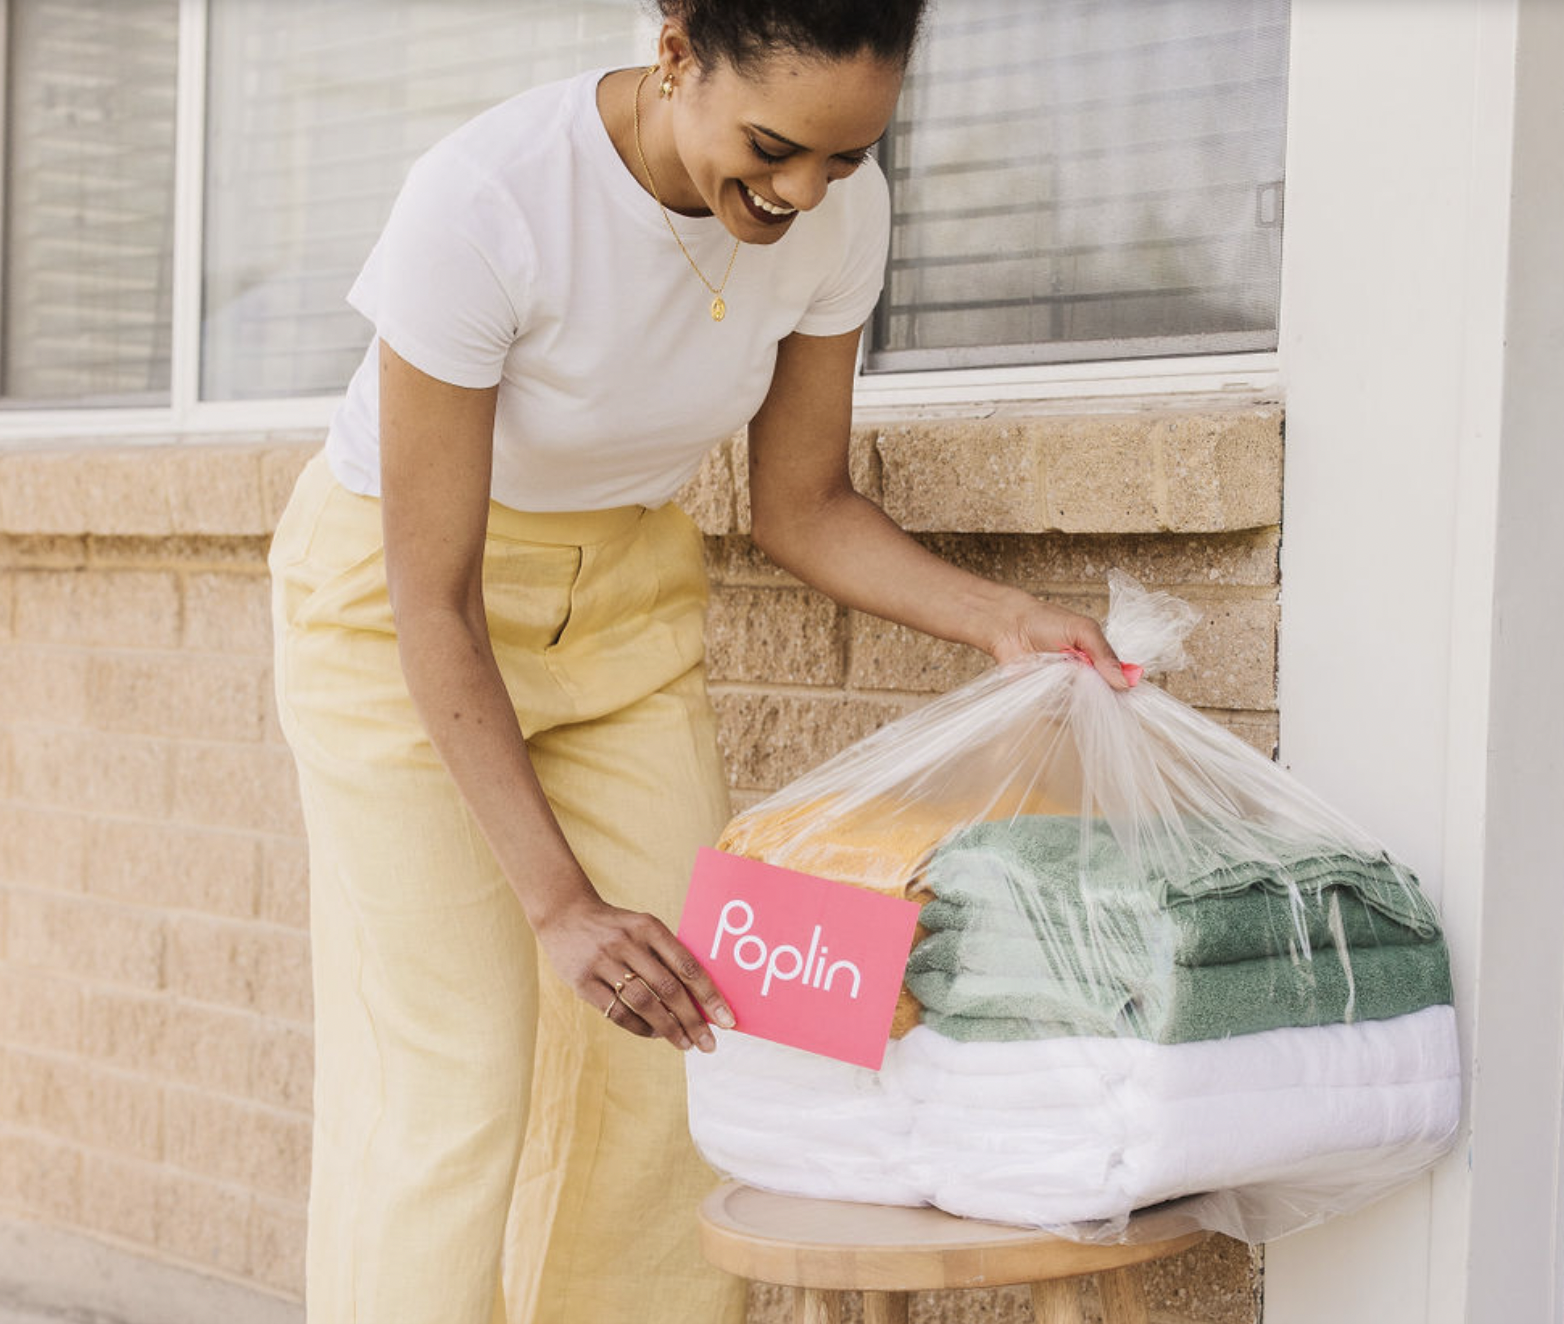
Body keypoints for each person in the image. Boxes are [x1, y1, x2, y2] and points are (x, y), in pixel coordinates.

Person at [268, 2, 1129, 1321]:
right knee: (457, 1076)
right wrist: (563, 908)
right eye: (776, 148)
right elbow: (430, 598)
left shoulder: (842, 213)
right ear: (676, 54)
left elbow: (804, 505)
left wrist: (1000, 617)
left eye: (845, 156)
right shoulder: (487, 200)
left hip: (623, 612)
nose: (804, 192)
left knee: (693, 1037)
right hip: (399, 617)